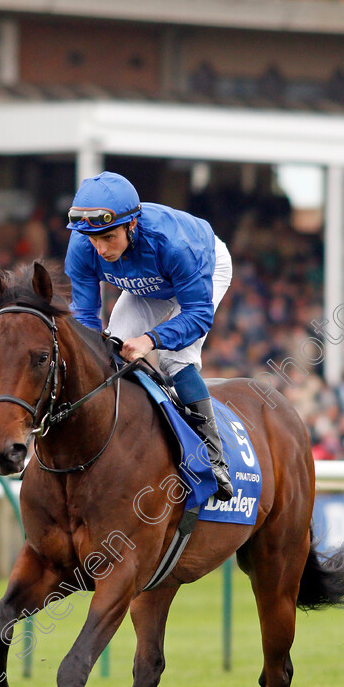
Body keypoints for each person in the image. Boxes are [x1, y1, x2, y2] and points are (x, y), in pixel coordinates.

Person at [64, 171, 233, 501]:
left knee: (175, 359)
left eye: (108, 237)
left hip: (202, 268)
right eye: (92, 239)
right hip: (146, 280)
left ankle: (212, 455)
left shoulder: (177, 244)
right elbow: (85, 318)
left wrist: (151, 339)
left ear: (131, 225)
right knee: (109, 352)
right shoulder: (84, 244)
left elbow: (198, 315)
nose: (99, 249)